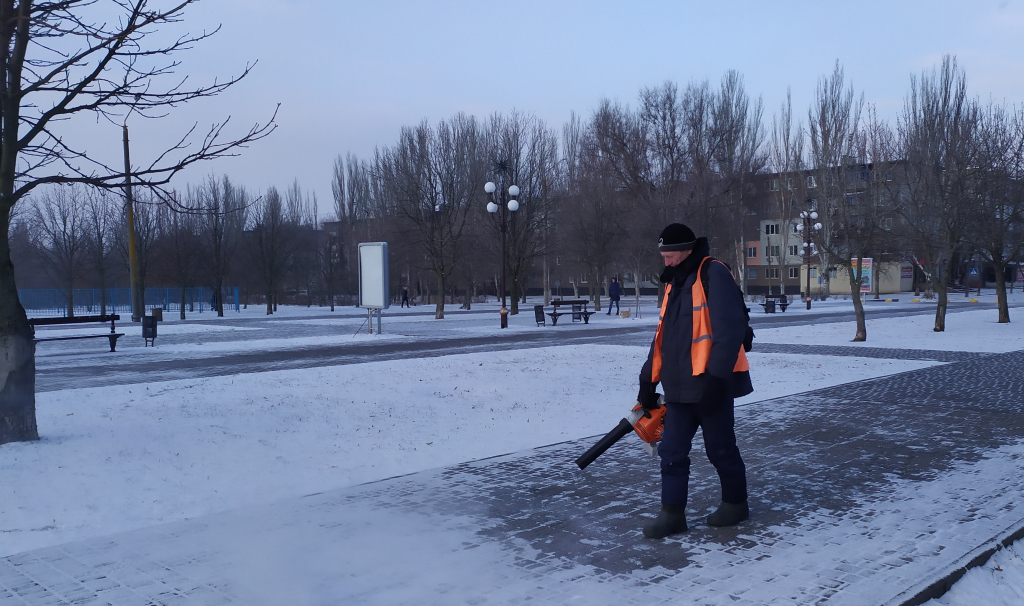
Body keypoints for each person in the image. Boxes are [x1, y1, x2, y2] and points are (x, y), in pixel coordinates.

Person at [637, 223, 753, 539]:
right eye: (663, 256)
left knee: (721, 449)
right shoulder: (675, 283)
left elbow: (729, 332)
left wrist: (717, 381)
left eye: (671, 255)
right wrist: (647, 380)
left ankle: (735, 504)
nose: (666, 261)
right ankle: (672, 514)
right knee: (671, 452)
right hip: (678, 390)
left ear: (688, 250)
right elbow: (663, 336)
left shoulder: (712, 273)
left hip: (709, 386)